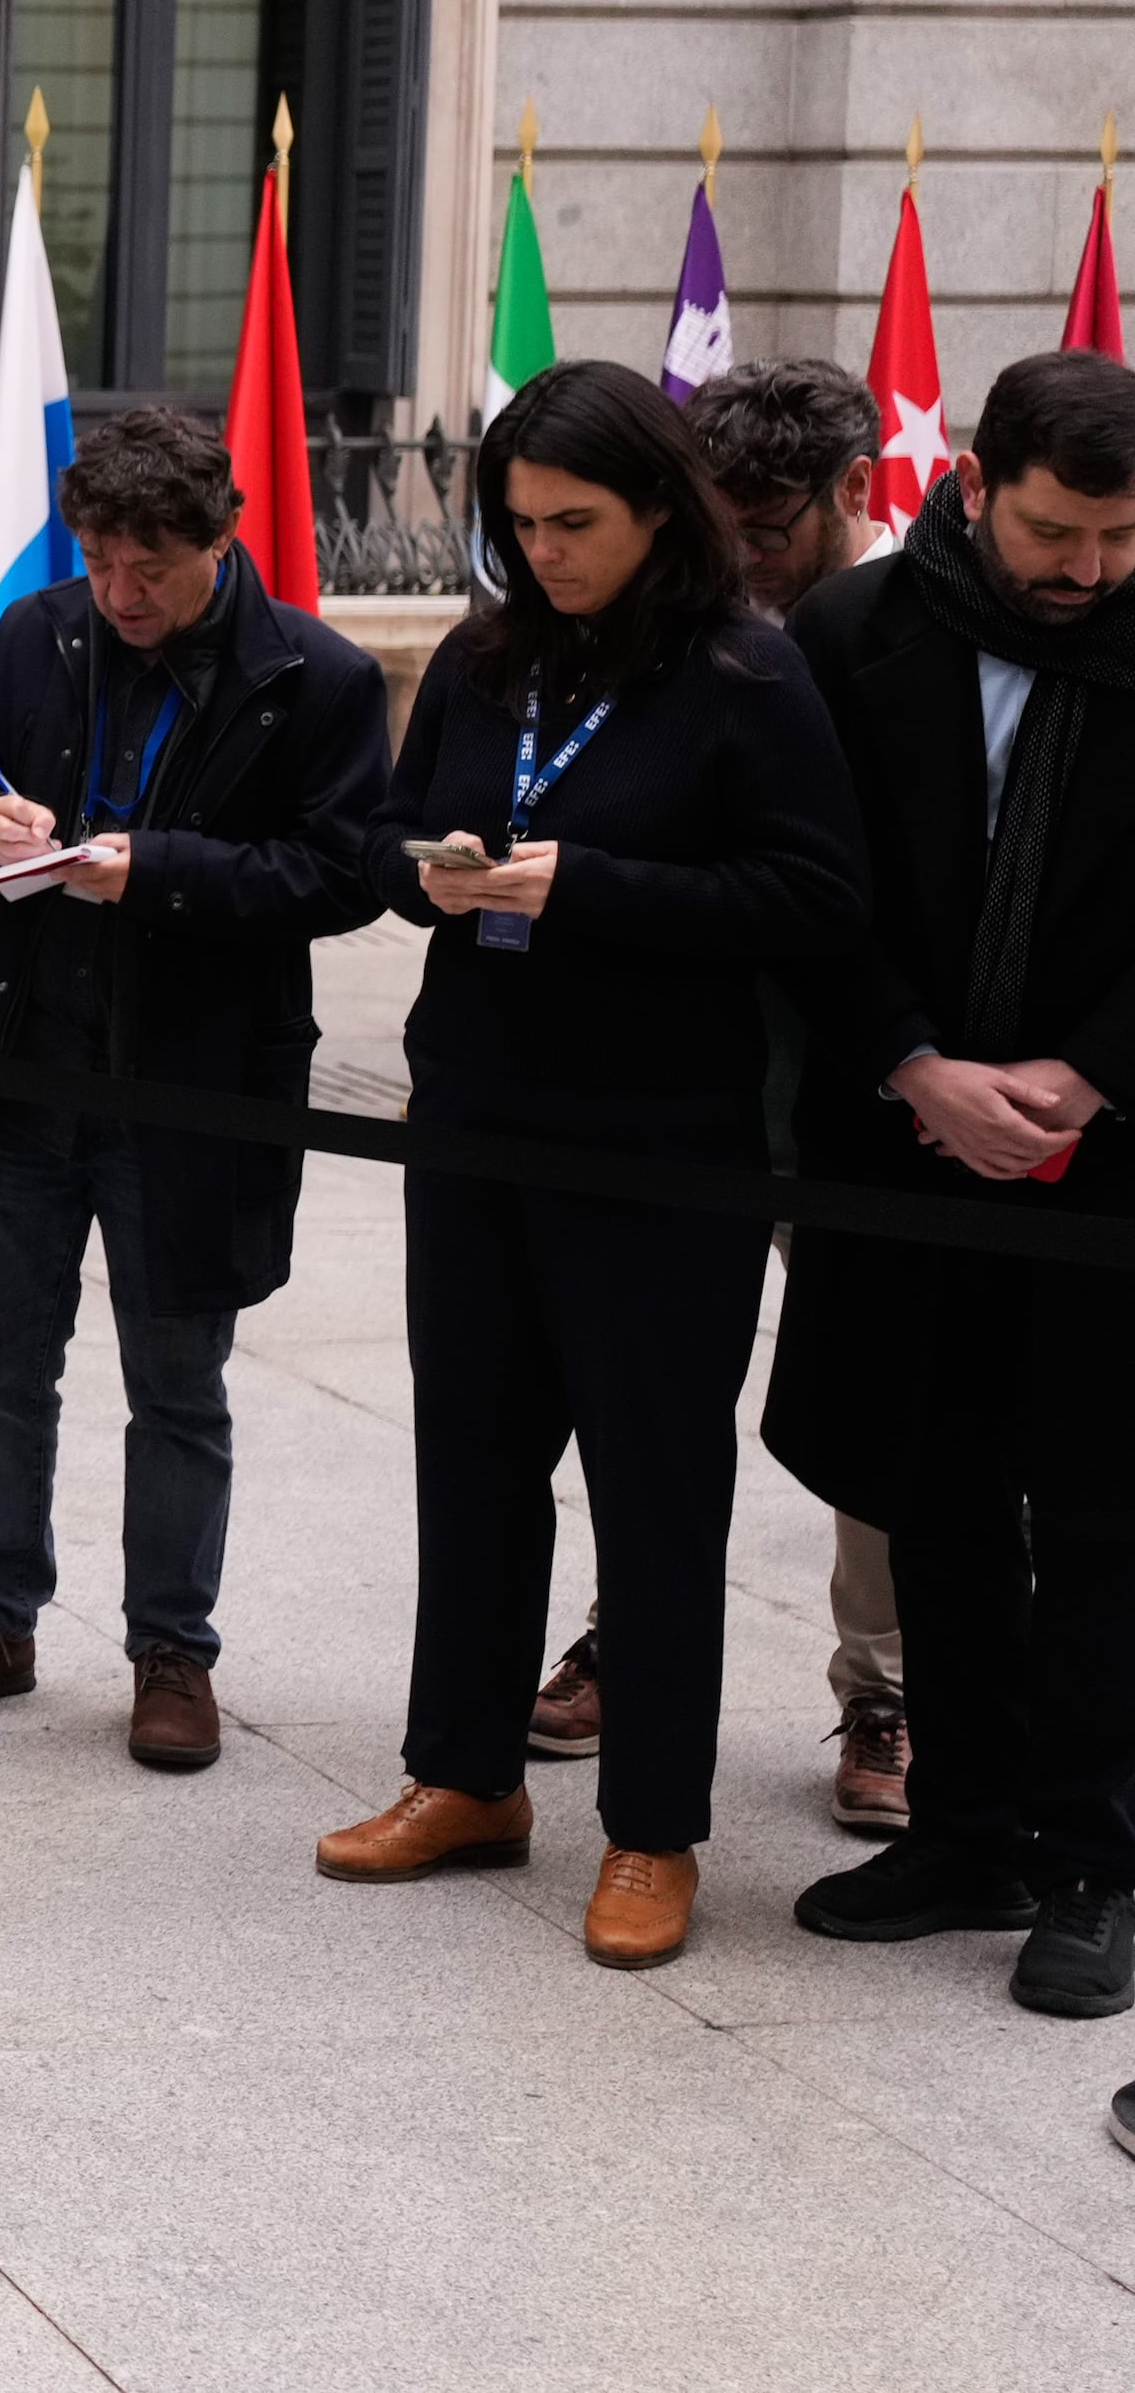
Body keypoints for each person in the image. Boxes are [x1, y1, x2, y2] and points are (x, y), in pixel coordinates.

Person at [317, 359, 863, 1974]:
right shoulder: (487, 664)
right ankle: (465, 1772)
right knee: (474, 1456)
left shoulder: (745, 679)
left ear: (657, 514)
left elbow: (811, 904)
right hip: (478, 1114)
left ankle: (651, 1828)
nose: (542, 550)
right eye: (519, 521)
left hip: (661, 1147)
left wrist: (596, 887)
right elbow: (391, 835)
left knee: (653, 1483)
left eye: (576, 522)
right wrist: (430, 873)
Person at [0, 407, 392, 1767]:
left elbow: (347, 875)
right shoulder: (46, 633)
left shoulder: (317, 678)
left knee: (179, 1387)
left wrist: (154, 867)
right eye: (103, 563)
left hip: (193, 1084)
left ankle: (173, 1648)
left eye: (151, 569)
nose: (122, 595)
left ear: (221, 541)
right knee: (2, 1371)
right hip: (24, 1064)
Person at [759, 350, 1135, 2020]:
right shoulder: (851, 638)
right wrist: (915, 1061)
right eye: (1059, 530)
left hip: (1111, 1157)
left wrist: (1091, 1072)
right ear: (973, 488)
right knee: (939, 1490)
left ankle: (1102, 1862)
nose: (1091, 569)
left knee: (1110, 1514)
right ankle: (966, 1830)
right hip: (899, 1139)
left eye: (1122, 540)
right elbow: (810, 885)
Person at [527, 352, 915, 1831]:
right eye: (720, 520)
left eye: (769, 525)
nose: (743, 554)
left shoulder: (889, 638)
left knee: (872, 1398)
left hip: (861, 1084)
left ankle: (885, 1689)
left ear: (850, 494)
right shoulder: (673, 633)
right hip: (684, 1074)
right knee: (651, 1387)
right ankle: (640, 1632)